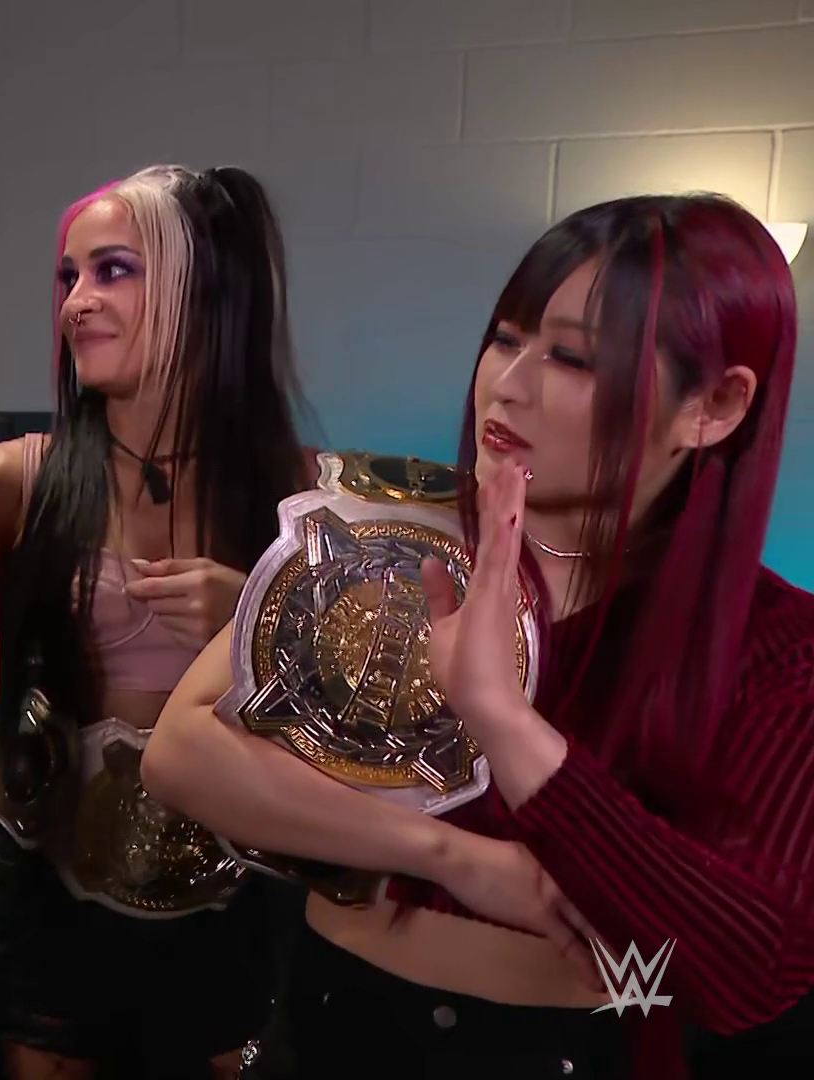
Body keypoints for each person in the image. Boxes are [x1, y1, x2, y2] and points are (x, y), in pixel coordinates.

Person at [142, 192, 814, 1079]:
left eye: (572, 357)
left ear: (714, 406)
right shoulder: (388, 537)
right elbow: (182, 753)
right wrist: (452, 856)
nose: (509, 383)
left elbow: (752, 973)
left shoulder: (777, 646)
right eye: (505, 338)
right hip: (326, 1021)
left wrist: (505, 723)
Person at [0, 165, 316, 1080]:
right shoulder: (11, 484)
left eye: (114, 271)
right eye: (70, 276)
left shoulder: (300, 502)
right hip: (41, 921)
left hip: (234, 925)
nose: (77, 303)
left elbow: (358, 755)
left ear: (203, 293)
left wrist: (263, 626)